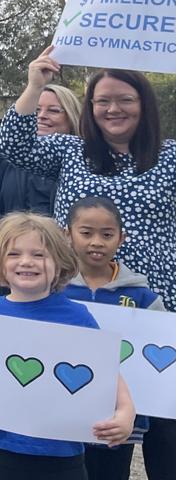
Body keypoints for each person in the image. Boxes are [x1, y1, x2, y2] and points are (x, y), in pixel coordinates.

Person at [0, 53, 176, 478]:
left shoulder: (170, 156)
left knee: (166, 444)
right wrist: (34, 83)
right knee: (95, 439)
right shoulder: (70, 150)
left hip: (155, 316)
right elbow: (12, 146)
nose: (113, 109)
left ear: (144, 104)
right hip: (80, 311)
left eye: (125, 99)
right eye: (102, 101)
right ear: (90, 108)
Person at [0, 213, 135, 480]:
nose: (26, 262)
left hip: (62, 453)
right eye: (14, 254)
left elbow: (109, 376)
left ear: (59, 263)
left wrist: (126, 416)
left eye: (39, 255)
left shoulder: (78, 317)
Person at [62, 196, 165, 479]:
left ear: (121, 238)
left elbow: (161, 353)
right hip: (63, 414)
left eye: (107, 235)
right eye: (86, 233)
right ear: (67, 234)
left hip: (116, 418)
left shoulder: (142, 297)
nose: (96, 242)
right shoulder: (53, 290)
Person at [0, 83, 81, 301]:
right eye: (37, 110)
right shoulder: (4, 160)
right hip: (8, 274)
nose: (42, 116)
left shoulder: (81, 165)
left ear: (71, 117)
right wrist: (9, 243)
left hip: (63, 276)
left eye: (53, 110)